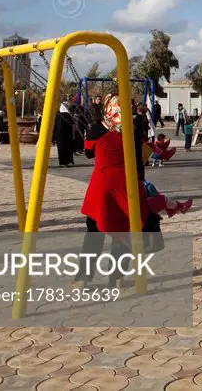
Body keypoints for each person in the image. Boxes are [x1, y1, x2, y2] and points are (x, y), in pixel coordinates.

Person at [77, 94, 159, 287]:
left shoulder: (97, 129)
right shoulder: (133, 129)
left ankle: (84, 278)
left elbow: (89, 153)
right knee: (123, 230)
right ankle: (118, 276)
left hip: (103, 185)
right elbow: (140, 159)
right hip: (128, 184)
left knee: (94, 231)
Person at [54, 102, 76, 167]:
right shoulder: (69, 115)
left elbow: (55, 125)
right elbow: (73, 125)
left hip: (59, 135)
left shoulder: (57, 115)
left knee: (61, 149)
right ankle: (68, 161)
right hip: (67, 135)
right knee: (68, 148)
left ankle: (62, 162)